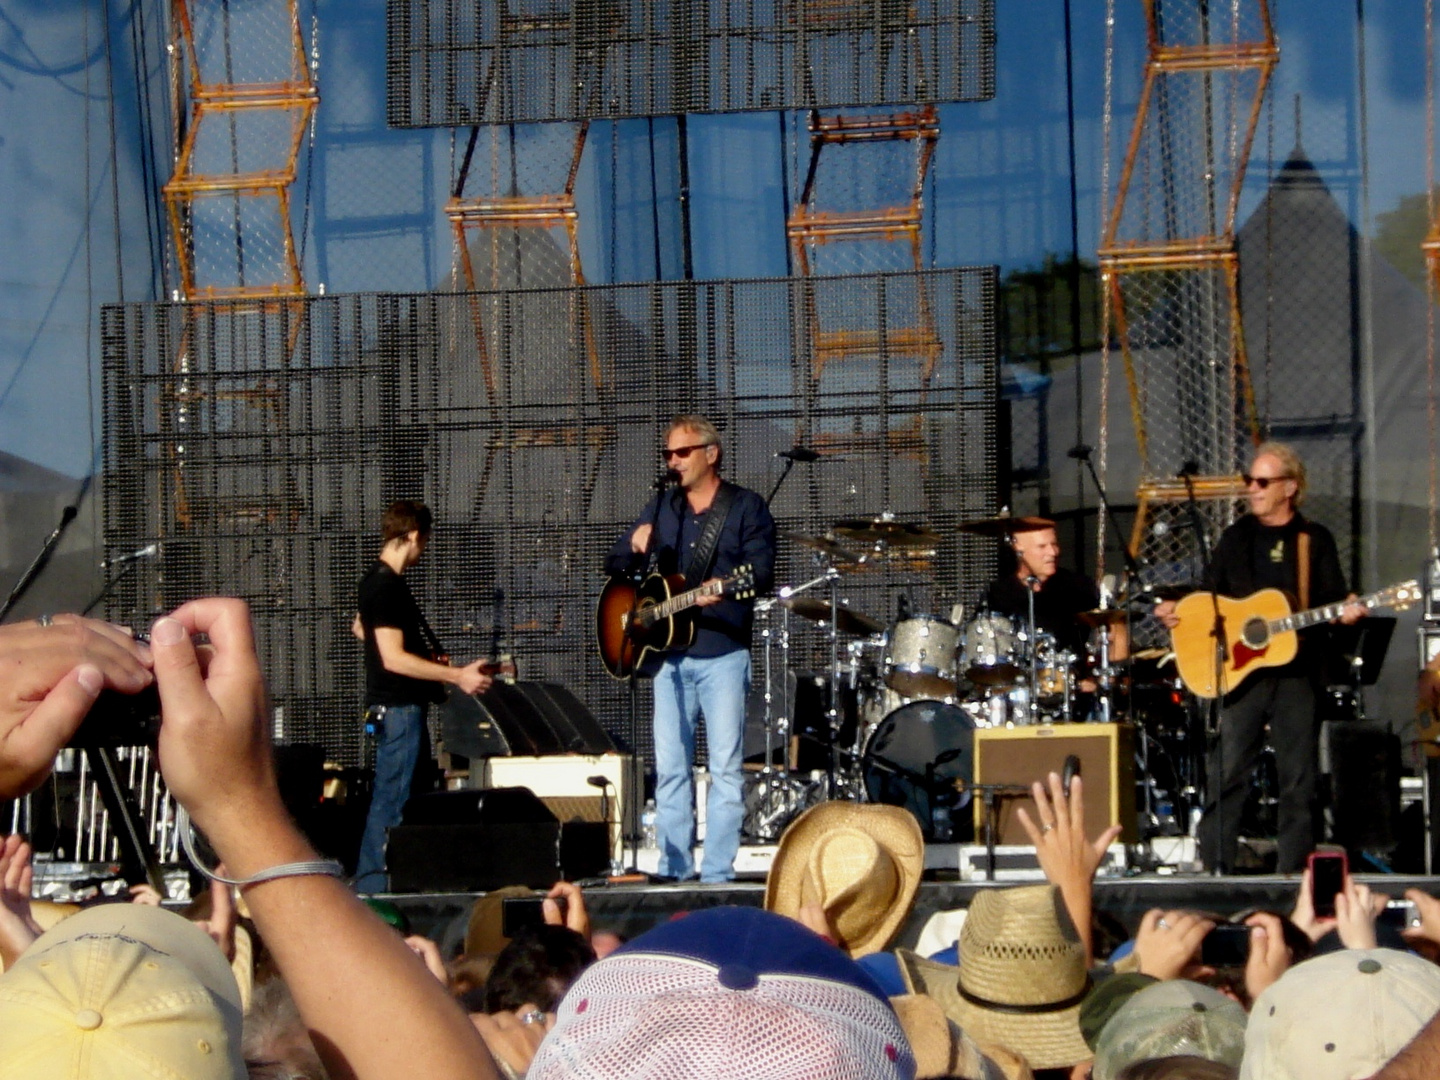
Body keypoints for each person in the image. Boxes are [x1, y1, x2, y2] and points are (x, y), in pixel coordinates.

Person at [1155, 443, 1362, 874]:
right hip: (1241, 671)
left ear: (1289, 487)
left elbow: (1328, 600)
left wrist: (1345, 613)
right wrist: (1177, 608)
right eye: (1249, 480)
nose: (1251, 489)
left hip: (1297, 673)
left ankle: (1292, 874)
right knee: (1227, 770)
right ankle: (1215, 867)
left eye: (1262, 482)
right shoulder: (1237, 538)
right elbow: (1209, 594)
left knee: (1298, 779)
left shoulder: (1313, 540)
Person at [604, 415, 776, 883]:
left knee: (724, 769)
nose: (673, 462)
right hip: (667, 658)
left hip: (722, 652)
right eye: (668, 455)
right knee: (671, 768)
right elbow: (614, 561)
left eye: (682, 453)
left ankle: (717, 874)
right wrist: (633, 546)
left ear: (711, 453)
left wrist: (726, 587)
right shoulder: (663, 507)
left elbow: (760, 572)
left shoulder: (745, 507)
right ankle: (673, 869)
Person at [353, 500, 494, 892]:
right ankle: (372, 890)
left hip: (397, 708)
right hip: (397, 710)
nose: (423, 551)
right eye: (424, 542)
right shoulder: (384, 586)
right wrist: (455, 675)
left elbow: (361, 630)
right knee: (392, 803)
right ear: (413, 535)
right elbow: (393, 657)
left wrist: (419, 655)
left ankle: (393, 886)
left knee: (404, 800)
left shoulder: (376, 582)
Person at [984, 521, 1099, 662]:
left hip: (1069, 677)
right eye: (1042, 546)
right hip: (1018, 677)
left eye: (1054, 544)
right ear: (1018, 549)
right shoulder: (999, 592)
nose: (1053, 552)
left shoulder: (1078, 586)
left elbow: (1110, 626)